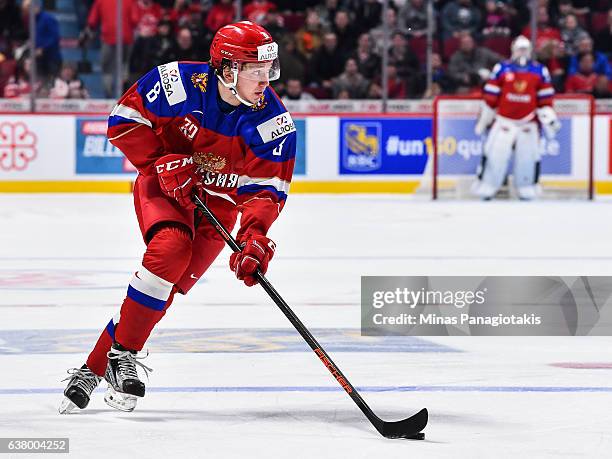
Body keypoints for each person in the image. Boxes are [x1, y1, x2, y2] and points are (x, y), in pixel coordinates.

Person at [59, 21, 297, 414]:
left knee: (163, 289)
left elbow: (266, 191)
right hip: (165, 186)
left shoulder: (273, 121)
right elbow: (123, 120)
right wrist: (159, 161)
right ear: (225, 68)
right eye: (254, 69)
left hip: (217, 206)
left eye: (267, 69)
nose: (264, 80)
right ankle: (123, 356)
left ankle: (97, 366)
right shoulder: (177, 83)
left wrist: (254, 237)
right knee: (170, 250)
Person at [473, 36, 560, 200]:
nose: (522, 53)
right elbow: (491, 97)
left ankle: (527, 188)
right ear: (513, 50)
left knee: (528, 158)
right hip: (503, 120)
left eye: (525, 49)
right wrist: (484, 120)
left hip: (528, 122)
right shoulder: (502, 68)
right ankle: (487, 186)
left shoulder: (540, 71)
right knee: (494, 155)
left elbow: (545, 100)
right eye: (519, 49)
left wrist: (549, 119)